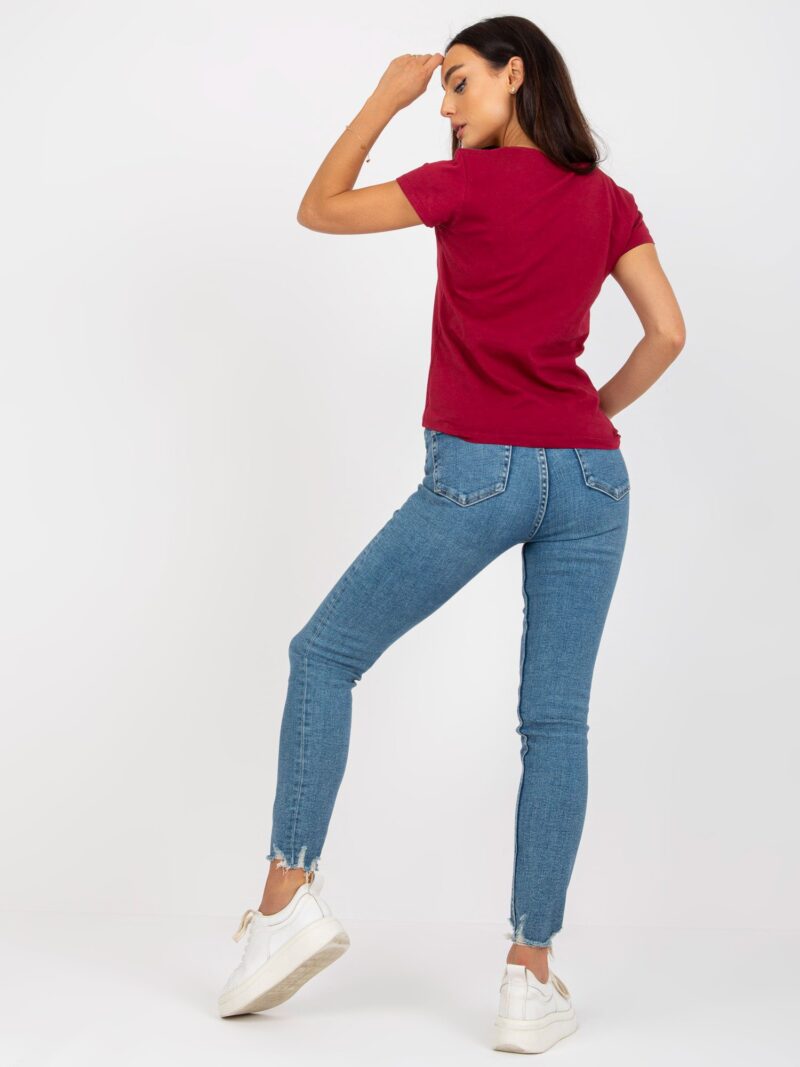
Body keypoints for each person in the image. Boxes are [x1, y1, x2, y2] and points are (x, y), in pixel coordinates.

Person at [217, 15, 685, 1054]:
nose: (444, 104)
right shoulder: (606, 199)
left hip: (481, 473)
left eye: (459, 83)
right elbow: (667, 332)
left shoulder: (462, 184)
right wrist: (590, 417)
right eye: (436, 90)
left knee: (323, 654)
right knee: (555, 725)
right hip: (593, 479)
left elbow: (319, 208)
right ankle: (528, 976)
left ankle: (285, 899)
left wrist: (381, 100)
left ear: (515, 76)